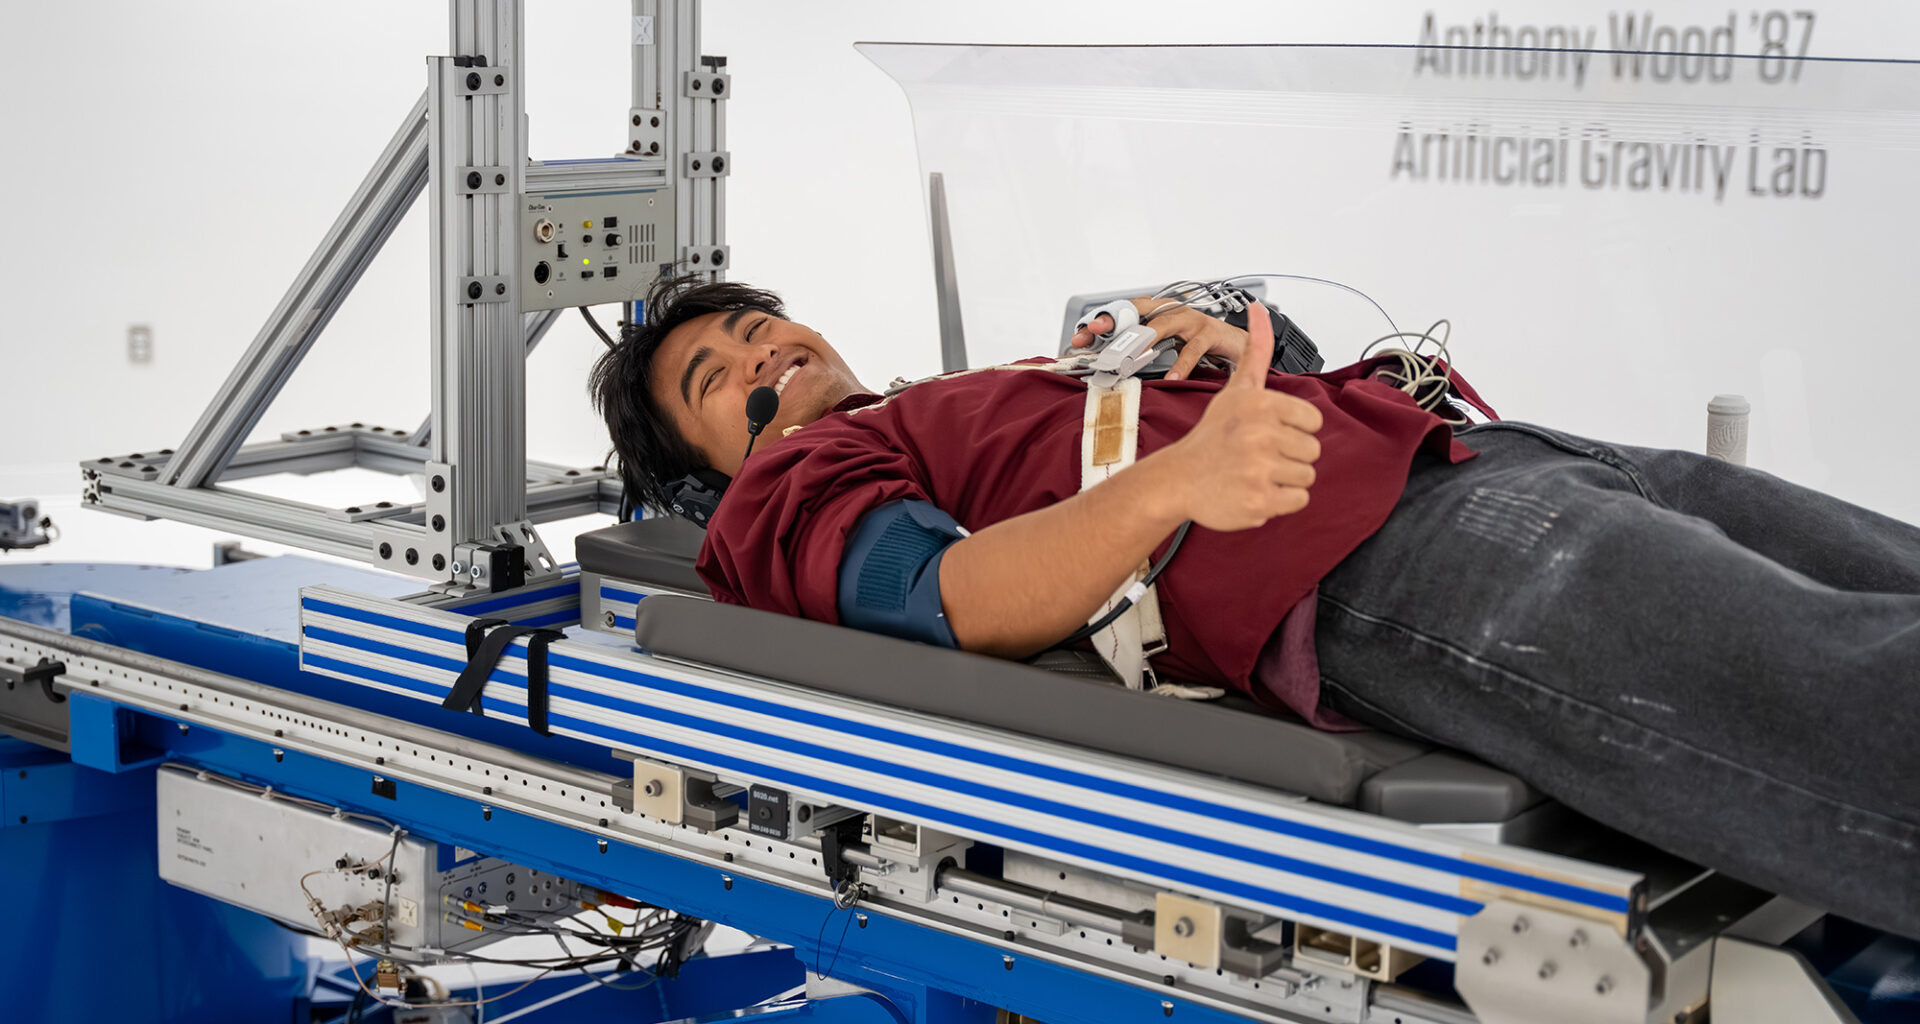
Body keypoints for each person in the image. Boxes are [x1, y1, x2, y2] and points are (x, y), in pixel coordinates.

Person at [590, 275, 1920, 939]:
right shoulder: (788, 494)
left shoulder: (946, 396)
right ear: (716, 463)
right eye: (715, 372)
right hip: (1401, 558)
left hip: (1486, 461)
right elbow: (958, 599)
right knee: (1864, 706)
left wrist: (1229, 355)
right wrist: (1177, 476)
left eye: (759, 320)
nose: (760, 346)